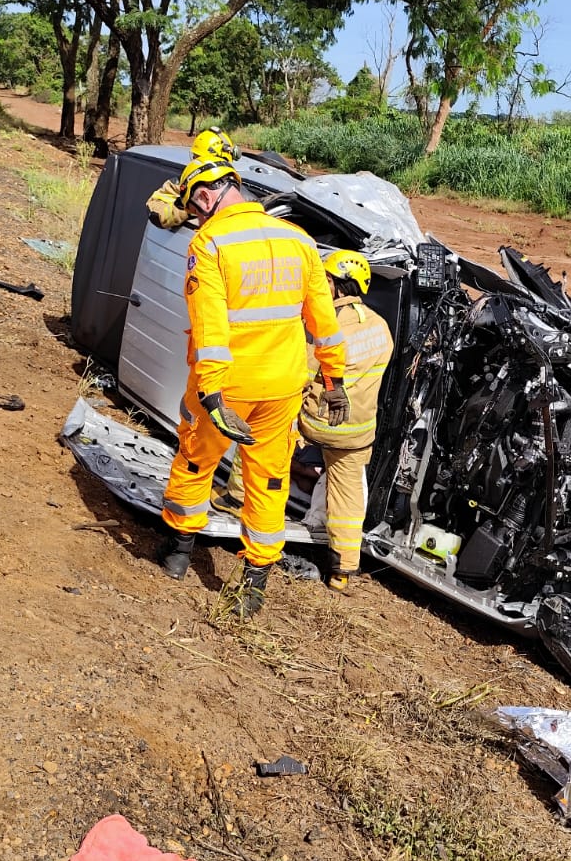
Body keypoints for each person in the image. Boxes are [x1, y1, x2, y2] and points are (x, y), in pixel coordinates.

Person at [152, 130, 349, 615]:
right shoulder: (299, 241)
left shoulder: (211, 243)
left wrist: (214, 394)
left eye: (194, 208)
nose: (195, 216)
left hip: (227, 386)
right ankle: (254, 584)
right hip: (282, 386)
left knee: (197, 460)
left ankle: (178, 554)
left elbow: (212, 327)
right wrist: (335, 380)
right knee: (268, 479)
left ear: (205, 193)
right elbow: (323, 320)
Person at [299, 250, 394, 593]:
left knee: (270, 437)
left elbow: (301, 375)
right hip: (357, 431)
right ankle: (342, 571)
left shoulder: (325, 326)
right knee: (348, 494)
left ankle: (241, 506)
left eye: (324, 281)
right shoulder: (381, 328)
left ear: (339, 286)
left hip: (316, 421)